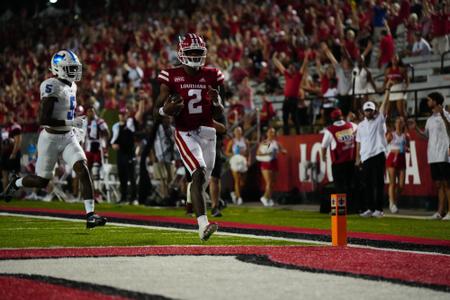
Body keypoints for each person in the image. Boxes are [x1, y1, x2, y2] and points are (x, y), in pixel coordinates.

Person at [0, 50, 107, 229]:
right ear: (58, 68)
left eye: (75, 67)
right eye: (70, 68)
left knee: (82, 168)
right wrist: (72, 121)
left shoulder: (72, 85)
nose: (74, 71)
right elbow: (44, 119)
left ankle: (90, 215)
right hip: (50, 138)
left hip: (68, 137)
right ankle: (16, 182)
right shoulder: (51, 85)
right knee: (42, 181)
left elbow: (65, 111)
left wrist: (73, 123)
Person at [156, 33, 224, 241]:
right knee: (199, 173)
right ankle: (203, 225)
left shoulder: (213, 75)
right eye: (190, 52)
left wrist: (215, 102)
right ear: (181, 54)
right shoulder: (170, 76)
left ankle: (190, 197)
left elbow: (219, 112)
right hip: (186, 132)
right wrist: (164, 110)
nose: (195, 55)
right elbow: (156, 109)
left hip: (207, 132)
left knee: (203, 178)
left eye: (198, 52)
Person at [356, 81, 392, 218]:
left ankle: (379, 209)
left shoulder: (379, 120)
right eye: (367, 110)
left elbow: (384, 106)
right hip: (366, 157)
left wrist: (387, 91)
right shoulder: (360, 126)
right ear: (364, 112)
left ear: (374, 111)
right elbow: (358, 142)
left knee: (378, 183)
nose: (369, 112)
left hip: (378, 154)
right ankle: (370, 208)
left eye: (371, 109)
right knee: (368, 184)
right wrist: (358, 158)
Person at [412, 92, 450, 220]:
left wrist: (444, 116)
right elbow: (426, 136)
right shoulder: (429, 119)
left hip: (444, 154)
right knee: (439, 184)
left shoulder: (447, 115)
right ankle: (440, 212)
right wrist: (417, 129)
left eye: (429, 100)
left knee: (447, 184)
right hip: (433, 155)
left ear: (435, 101)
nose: (427, 102)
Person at [321, 108, 358, 213]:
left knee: (339, 187)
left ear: (332, 118)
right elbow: (358, 130)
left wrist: (323, 158)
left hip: (338, 163)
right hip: (351, 161)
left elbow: (323, 147)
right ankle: (352, 208)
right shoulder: (351, 125)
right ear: (341, 116)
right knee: (350, 185)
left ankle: (341, 209)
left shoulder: (330, 130)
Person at [272, 51, 309, 135]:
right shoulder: (287, 75)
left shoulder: (298, 76)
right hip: (287, 99)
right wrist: (274, 59)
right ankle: (286, 134)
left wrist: (306, 58)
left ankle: (298, 133)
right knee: (285, 117)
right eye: (290, 68)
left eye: (292, 68)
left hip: (293, 100)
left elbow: (303, 67)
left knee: (294, 117)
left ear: (295, 70)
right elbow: (280, 66)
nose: (290, 69)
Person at [111, 107, 138, 205]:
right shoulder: (116, 126)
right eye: (121, 114)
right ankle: (123, 197)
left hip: (129, 153)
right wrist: (113, 145)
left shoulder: (130, 125)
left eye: (124, 114)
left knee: (131, 177)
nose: (122, 116)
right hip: (120, 154)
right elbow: (113, 140)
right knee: (122, 177)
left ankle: (133, 198)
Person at [83, 106, 110, 202]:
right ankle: (88, 194)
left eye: (92, 111)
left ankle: (97, 194)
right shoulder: (84, 121)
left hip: (97, 148)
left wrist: (105, 146)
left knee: (95, 171)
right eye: (89, 111)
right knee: (86, 172)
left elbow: (107, 133)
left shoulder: (99, 121)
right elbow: (82, 136)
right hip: (87, 149)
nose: (91, 113)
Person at [256, 127, 287, 207]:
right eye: (270, 132)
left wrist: (282, 151)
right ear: (267, 133)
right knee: (269, 182)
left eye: (273, 132)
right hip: (266, 163)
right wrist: (268, 154)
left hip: (274, 162)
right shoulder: (266, 142)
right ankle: (264, 197)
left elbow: (284, 150)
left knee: (273, 183)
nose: (272, 134)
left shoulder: (276, 143)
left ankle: (268, 198)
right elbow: (258, 153)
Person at [386, 116, 410, 214]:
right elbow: (384, 145)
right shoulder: (391, 135)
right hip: (392, 158)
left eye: (401, 122)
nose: (399, 124)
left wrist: (406, 149)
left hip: (401, 159)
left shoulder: (406, 136)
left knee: (401, 185)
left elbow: (407, 146)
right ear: (395, 124)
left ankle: (393, 200)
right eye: (397, 122)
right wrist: (392, 149)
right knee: (392, 183)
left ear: (403, 124)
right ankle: (392, 203)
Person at [225, 126, 250, 206]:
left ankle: (235, 194)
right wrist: (234, 153)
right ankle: (239, 198)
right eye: (237, 131)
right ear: (234, 133)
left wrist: (248, 160)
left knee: (242, 182)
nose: (238, 133)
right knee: (237, 179)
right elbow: (227, 152)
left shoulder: (245, 141)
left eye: (239, 131)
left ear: (241, 132)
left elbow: (248, 152)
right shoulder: (232, 141)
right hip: (235, 160)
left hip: (243, 160)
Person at [0, 112, 22, 190]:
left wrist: (14, 153)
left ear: (12, 116)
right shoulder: (3, 127)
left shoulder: (15, 127)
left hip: (12, 153)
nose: (6, 118)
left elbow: (18, 141)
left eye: (8, 116)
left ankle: (20, 194)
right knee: (4, 175)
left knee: (16, 174)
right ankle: (5, 194)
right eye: (5, 116)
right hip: (4, 154)